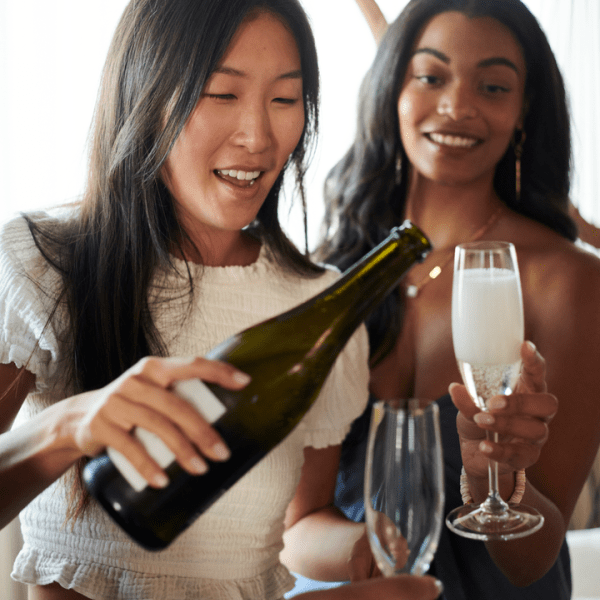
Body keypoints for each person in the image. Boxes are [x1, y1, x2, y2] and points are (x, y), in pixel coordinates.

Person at [0, 0, 445, 598]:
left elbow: (300, 524)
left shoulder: (315, 301)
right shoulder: (42, 262)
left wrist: (362, 548)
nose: (258, 137)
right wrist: (70, 425)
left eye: (285, 100)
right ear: (147, 96)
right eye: (221, 94)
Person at [309, 0, 600, 598]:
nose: (457, 106)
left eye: (492, 86)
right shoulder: (332, 275)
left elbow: (533, 561)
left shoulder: (567, 282)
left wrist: (496, 473)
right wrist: (373, 553)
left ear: (523, 113)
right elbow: (297, 527)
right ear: (393, 88)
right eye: (431, 76)